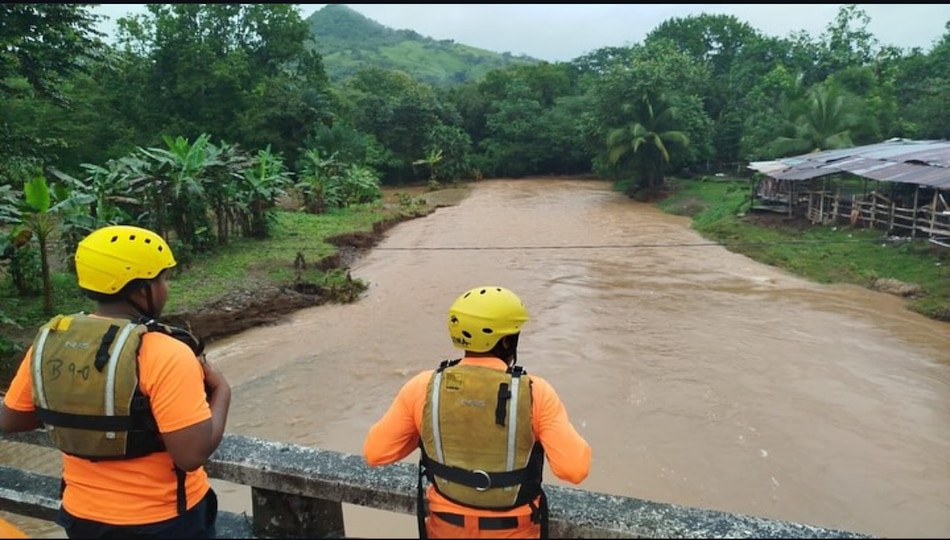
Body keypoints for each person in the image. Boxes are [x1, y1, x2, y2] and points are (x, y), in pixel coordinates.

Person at [0, 224, 231, 538]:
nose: (166, 288)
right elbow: (191, 455)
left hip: (82, 516)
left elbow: (13, 419)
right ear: (141, 290)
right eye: (161, 279)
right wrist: (222, 391)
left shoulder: (52, 340)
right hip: (163, 520)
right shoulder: (166, 352)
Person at [363, 285, 591, 539]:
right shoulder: (536, 392)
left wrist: (426, 430)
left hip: (444, 530)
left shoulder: (423, 387)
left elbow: (376, 453)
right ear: (506, 340)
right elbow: (574, 469)